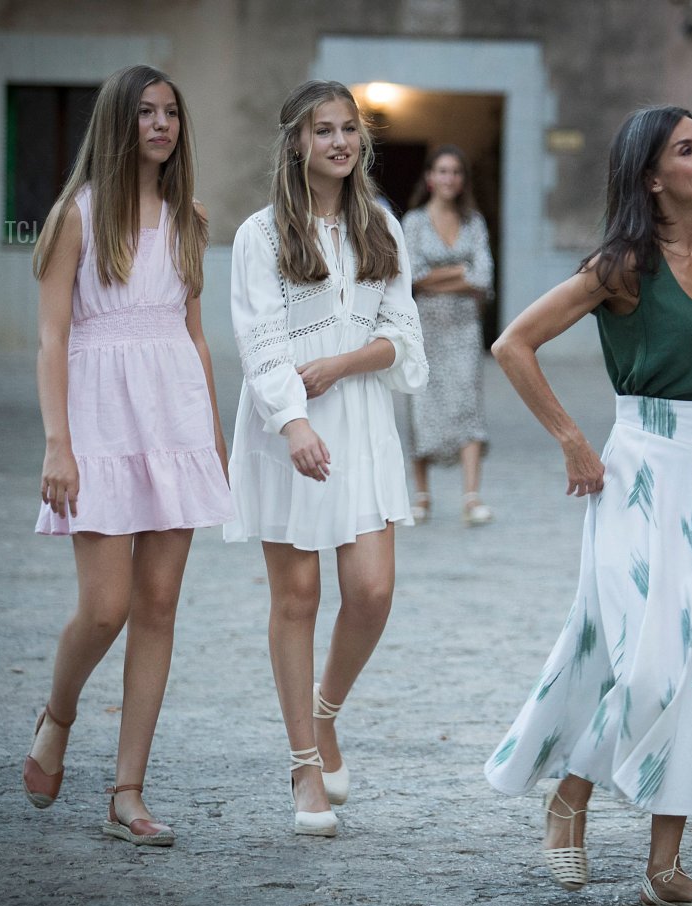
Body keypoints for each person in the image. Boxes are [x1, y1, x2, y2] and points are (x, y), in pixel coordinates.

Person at [484, 105, 692, 906]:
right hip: (643, 469)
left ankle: (663, 867)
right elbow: (512, 343)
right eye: (687, 149)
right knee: (648, 664)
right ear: (653, 178)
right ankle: (572, 792)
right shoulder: (621, 266)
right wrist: (572, 440)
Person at [23, 65, 233, 846]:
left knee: (157, 605)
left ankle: (127, 791)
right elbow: (51, 338)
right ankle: (60, 711)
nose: (161, 124)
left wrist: (212, 433)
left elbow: (195, 334)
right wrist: (59, 444)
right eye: (145, 112)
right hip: (101, 424)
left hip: (174, 420)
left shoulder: (191, 218)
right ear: (118, 123)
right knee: (105, 605)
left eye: (171, 112)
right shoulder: (74, 216)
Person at [224, 80, 427, 837]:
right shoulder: (262, 234)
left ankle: (326, 708)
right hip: (289, 430)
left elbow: (404, 340)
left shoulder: (382, 227)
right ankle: (304, 765)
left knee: (372, 590)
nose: (339, 141)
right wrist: (292, 422)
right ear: (297, 144)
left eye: (349, 129)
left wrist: (341, 367)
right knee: (298, 596)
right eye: (323, 130)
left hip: (364, 419)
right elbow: (261, 341)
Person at [402, 145, 495, 525]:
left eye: (455, 171)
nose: (449, 178)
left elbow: (484, 278)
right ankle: (421, 496)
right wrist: (458, 271)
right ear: (429, 177)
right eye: (442, 171)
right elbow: (409, 278)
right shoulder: (413, 222)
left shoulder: (474, 223)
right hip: (424, 329)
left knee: (468, 407)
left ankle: (471, 497)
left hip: (464, 330)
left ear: (462, 180)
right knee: (421, 405)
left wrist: (434, 277)